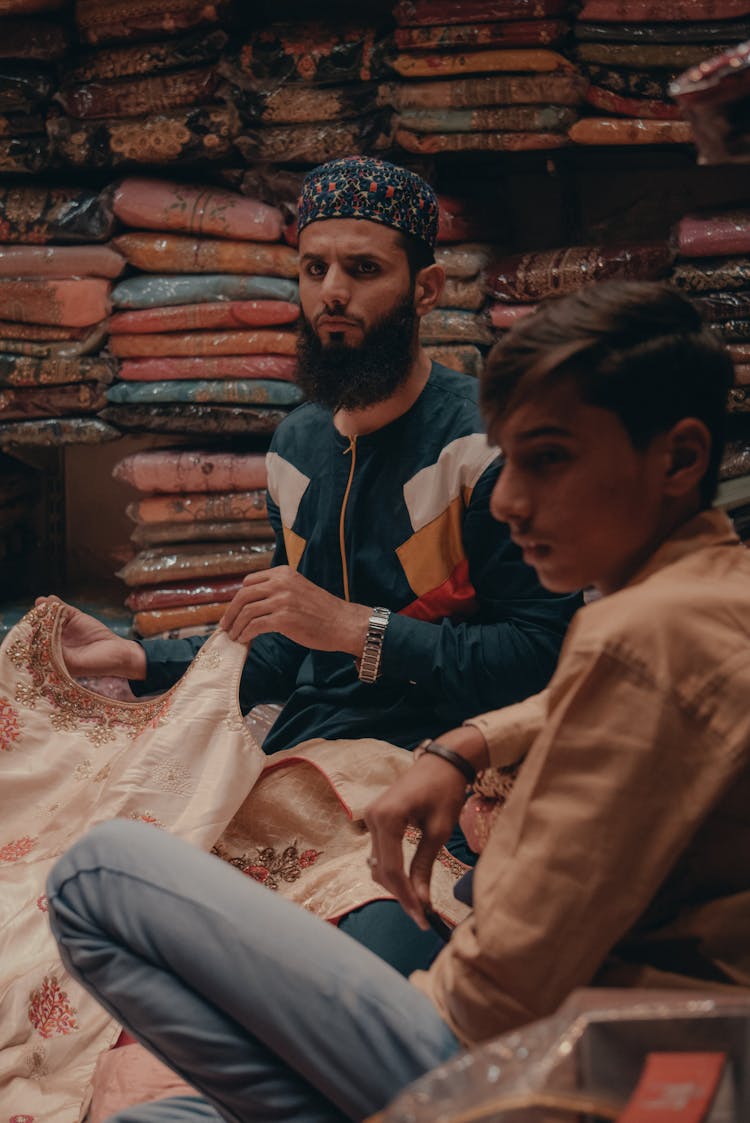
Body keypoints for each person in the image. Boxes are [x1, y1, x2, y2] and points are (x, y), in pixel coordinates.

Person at [47, 280, 750, 1123]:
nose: (505, 500)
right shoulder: (717, 588)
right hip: (602, 1028)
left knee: (97, 871)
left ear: (678, 459)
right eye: (312, 266)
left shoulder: (630, 631)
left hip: (529, 1064)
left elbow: (500, 989)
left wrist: (362, 635)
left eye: (549, 459)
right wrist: (470, 745)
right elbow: (611, 692)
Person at [52, 157, 578, 974]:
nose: (331, 290)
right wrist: (137, 658)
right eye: (313, 267)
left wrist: (357, 629)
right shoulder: (296, 445)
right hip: (306, 761)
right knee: (86, 892)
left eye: (363, 269)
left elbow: (540, 659)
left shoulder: (485, 446)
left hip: (443, 767)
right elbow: (281, 641)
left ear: (428, 289)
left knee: (367, 957)